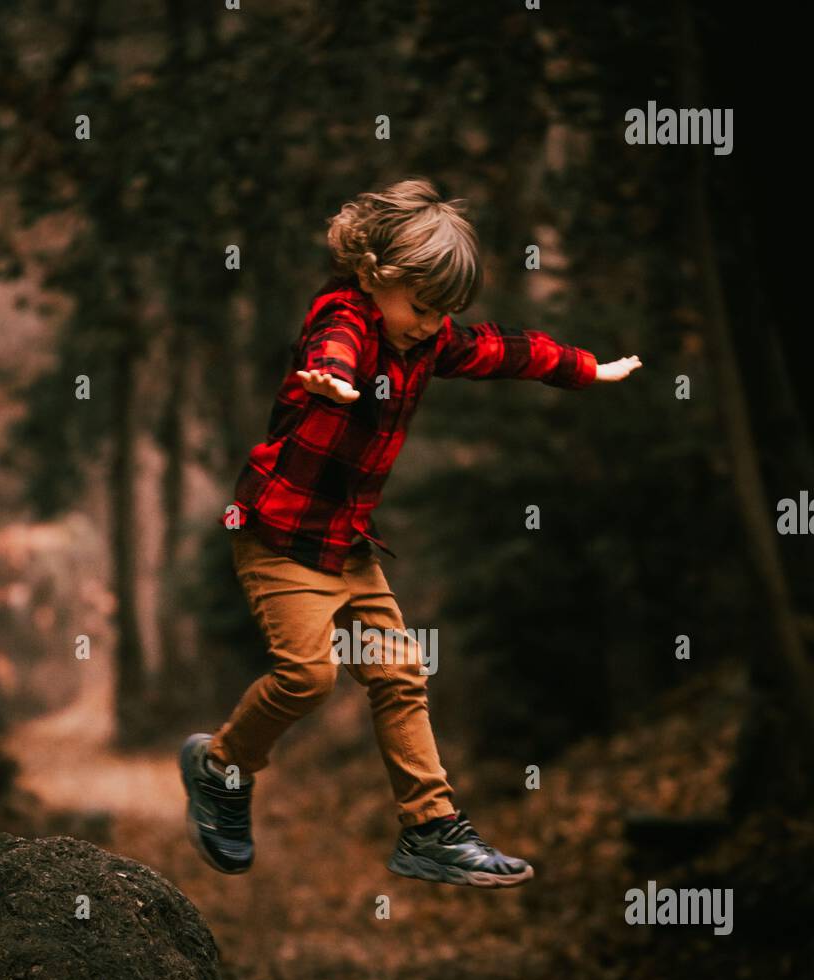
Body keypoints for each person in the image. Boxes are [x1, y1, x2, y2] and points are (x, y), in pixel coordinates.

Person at [180, 177, 641, 887]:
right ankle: (221, 767)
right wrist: (330, 378)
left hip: (347, 543)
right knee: (307, 676)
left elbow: (503, 350)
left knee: (400, 671)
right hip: (279, 534)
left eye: (442, 313)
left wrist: (584, 368)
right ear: (375, 275)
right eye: (422, 307)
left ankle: (430, 831)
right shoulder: (348, 317)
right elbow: (332, 343)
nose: (429, 324)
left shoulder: (424, 339)